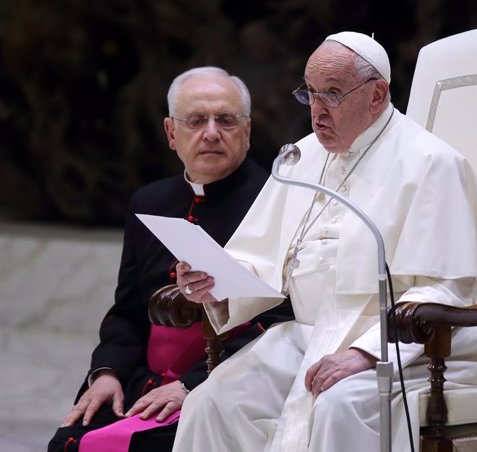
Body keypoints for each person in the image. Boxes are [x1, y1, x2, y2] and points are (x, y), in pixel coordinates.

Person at [172, 32, 477, 451]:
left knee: (337, 404)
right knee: (212, 402)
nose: (316, 112)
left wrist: (366, 353)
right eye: (310, 93)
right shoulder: (302, 156)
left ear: (377, 95)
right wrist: (216, 282)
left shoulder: (431, 164)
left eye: (332, 94)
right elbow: (261, 259)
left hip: (409, 343)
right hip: (309, 335)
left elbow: (445, 288)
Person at [47, 67, 293, 452]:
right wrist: (107, 372)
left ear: (246, 132)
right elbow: (127, 310)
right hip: (139, 380)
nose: (211, 132)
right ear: (171, 133)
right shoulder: (149, 202)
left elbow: (279, 317)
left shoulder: (277, 201)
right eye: (196, 120)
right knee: (70, 443)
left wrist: (190, 383)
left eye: (226, 120)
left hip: (221, 381)